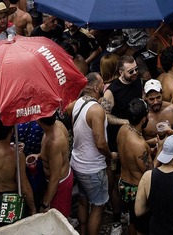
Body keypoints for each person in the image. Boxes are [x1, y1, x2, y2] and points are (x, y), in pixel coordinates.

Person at [69, 73, 113, 235]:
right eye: (102, 83)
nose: (104, 86)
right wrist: (110, 156)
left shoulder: (78, 103)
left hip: (77, 162)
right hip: (92, 168)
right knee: (98, 207)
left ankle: (82, 231)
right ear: (96, 87)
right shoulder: (96, 110)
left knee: (82, 199)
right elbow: (101, 143)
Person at [0, 120, 36, 228]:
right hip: (13, 201)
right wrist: (33, 207)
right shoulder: (16, 156)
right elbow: (24, 185)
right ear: (11, 131)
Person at [117, 100, 152, 235]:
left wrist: (148, 146)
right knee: (142, 227)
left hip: (124, 184)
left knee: (133, 220)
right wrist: (160, 149)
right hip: (137, 190)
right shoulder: (139, 144)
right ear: (144, 119)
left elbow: (130, 151)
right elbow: (150, 171)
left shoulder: (123, 129)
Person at [38, 113, 74, 220]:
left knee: (58, 220)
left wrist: (45, 203)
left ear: (39, 121)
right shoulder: (58, 124)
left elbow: (55, 178)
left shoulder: (54, 142)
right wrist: (39, 156)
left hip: (59, 186)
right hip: (62, 178)